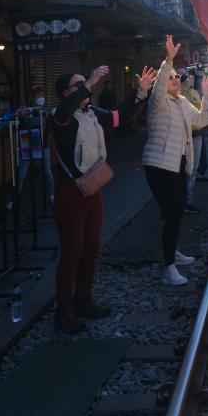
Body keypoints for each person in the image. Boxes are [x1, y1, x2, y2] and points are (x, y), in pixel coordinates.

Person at [51, 62, 156, 333]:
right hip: (70, 193)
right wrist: (89, 81)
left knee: (91, 249)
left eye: (83, 82)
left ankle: (84, 300)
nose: (84, 86)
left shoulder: (92, 113)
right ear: (65, 93)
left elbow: (121, 117)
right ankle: (62, 311)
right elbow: (64, 111)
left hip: (93, 190)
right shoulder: (60, 116)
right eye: (76, 84)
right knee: (72, 253)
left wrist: (140, 93)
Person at [142, 36, 208, 285]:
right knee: (172, 212)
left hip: (178, 164)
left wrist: (206, 97)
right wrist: (168, 60)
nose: (176, 80)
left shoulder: (182, 102)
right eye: (173, 77)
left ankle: (173, 251)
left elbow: (202, 121)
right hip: (159, 165)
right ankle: (168, 268)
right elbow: (160, 83)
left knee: (178, 209)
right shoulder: (158, 101)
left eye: (178, 77)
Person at [180, 71, 203, 212]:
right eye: (185, 77)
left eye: (188, 76)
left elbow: (199, 111)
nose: (189, 79)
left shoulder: (195, 92)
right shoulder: (176, 94)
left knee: (192, 169)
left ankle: (188, 200)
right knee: (182, 169)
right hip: (183, 136)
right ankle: (183, 200)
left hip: (197, 135)